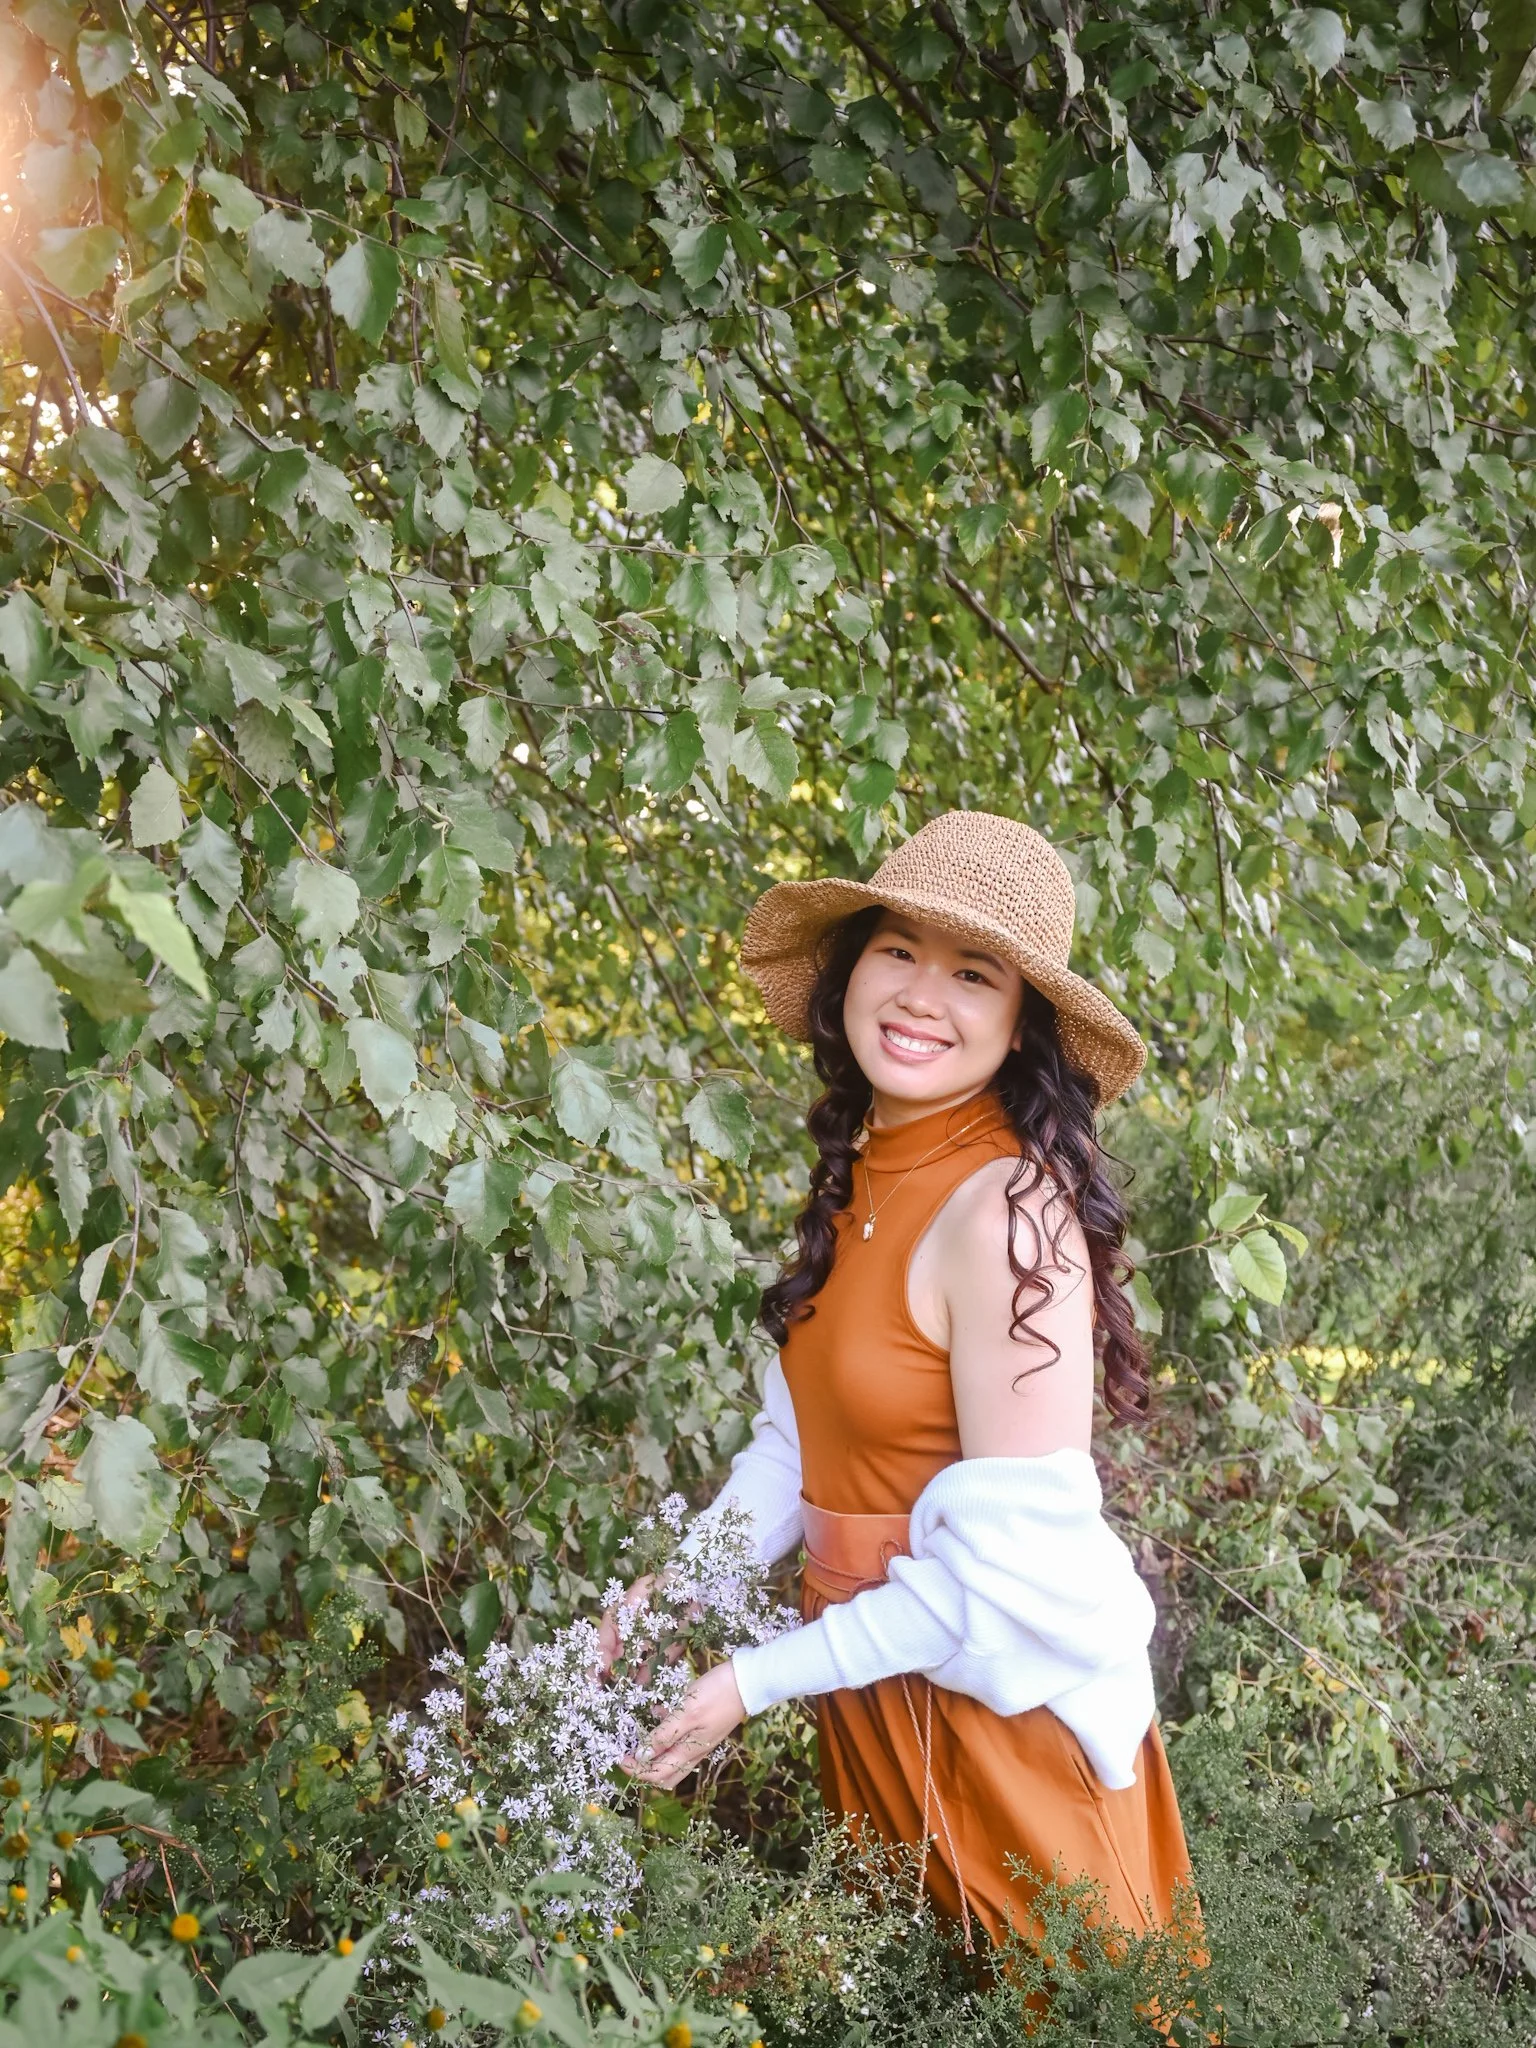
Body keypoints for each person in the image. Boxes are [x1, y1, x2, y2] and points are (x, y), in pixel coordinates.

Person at [598, 808, 1196, 1961]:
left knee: (1060, 2013)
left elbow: (1000, 1579)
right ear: (850, 971)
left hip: (999, 1728)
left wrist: (750, 1681)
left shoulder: (1009, 1217)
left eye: (974, 972)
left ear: (1023, 1025)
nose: (923, 994)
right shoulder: (864, 1170)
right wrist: (667, 1592)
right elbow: (797, 1452)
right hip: (871, 1688)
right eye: (898, 949)